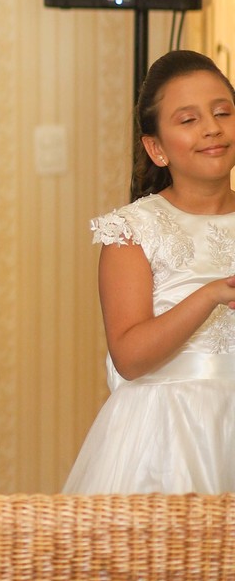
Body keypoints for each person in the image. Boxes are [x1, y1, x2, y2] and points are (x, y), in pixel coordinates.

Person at [64, 51, 235, 494]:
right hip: (168, 437)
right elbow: (130, 356)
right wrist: (211, 294)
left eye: (222, 113)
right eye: (189, 120)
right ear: (156, 148)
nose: (212, 128)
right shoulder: (133, 231)